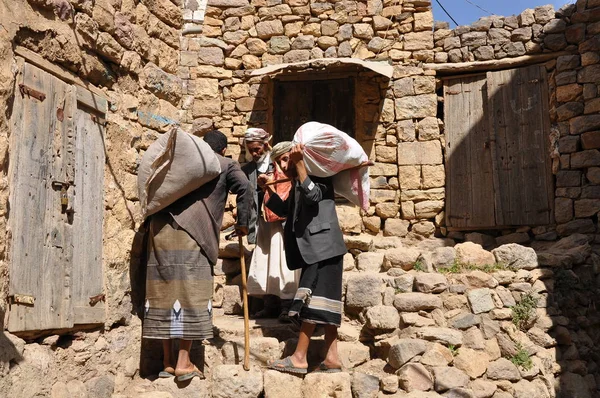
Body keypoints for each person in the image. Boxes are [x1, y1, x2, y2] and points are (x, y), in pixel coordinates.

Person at [142, 130, 251, 381]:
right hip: (194, 233)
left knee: (164, 292)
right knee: (191, 292)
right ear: (223, 150)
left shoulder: (180, 164)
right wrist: (243, 222)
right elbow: (245, 186)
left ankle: (167, 363)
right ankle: (183, 362)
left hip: (159, 230)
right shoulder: (225, 164)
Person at [261, 143, 347, 374]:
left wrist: (300, 165)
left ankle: (299, 357)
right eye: (279, 161)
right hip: (319, 250)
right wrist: (267, 189)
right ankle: (332, 358)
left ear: (298, 157)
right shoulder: (297, 182)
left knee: (312, 302)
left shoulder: (318, 174)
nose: (283, 165)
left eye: (286, 159)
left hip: (323, 248)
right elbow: (285, 211)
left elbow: (315, 195)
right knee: (325, 302)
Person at [242, 129, 297, 320]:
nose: (255, 153)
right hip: (262, 222)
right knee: (265, 261)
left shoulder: (280, 164)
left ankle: (287, 305)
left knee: (281, 261)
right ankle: (270, 304)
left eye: (257, 149)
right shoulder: (249, 169)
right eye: (251, 150)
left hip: (280, 221)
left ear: (266, 145)